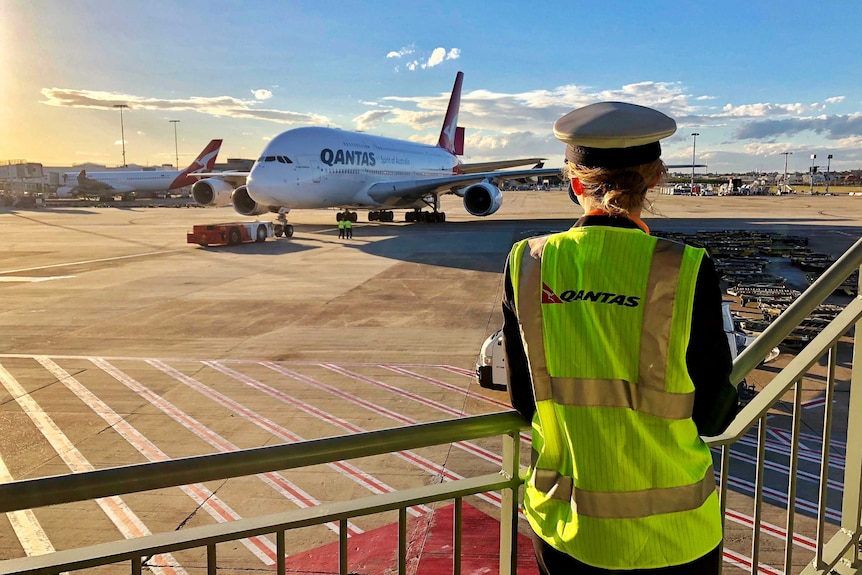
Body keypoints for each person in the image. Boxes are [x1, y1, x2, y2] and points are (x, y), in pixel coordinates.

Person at [502, 102, 738, 574]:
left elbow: (525, 402)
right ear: (654, 179)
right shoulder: (685, 267)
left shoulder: (528, 262)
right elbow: (712, 413)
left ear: (574, 184)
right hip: (677, 534)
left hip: (569, 525)